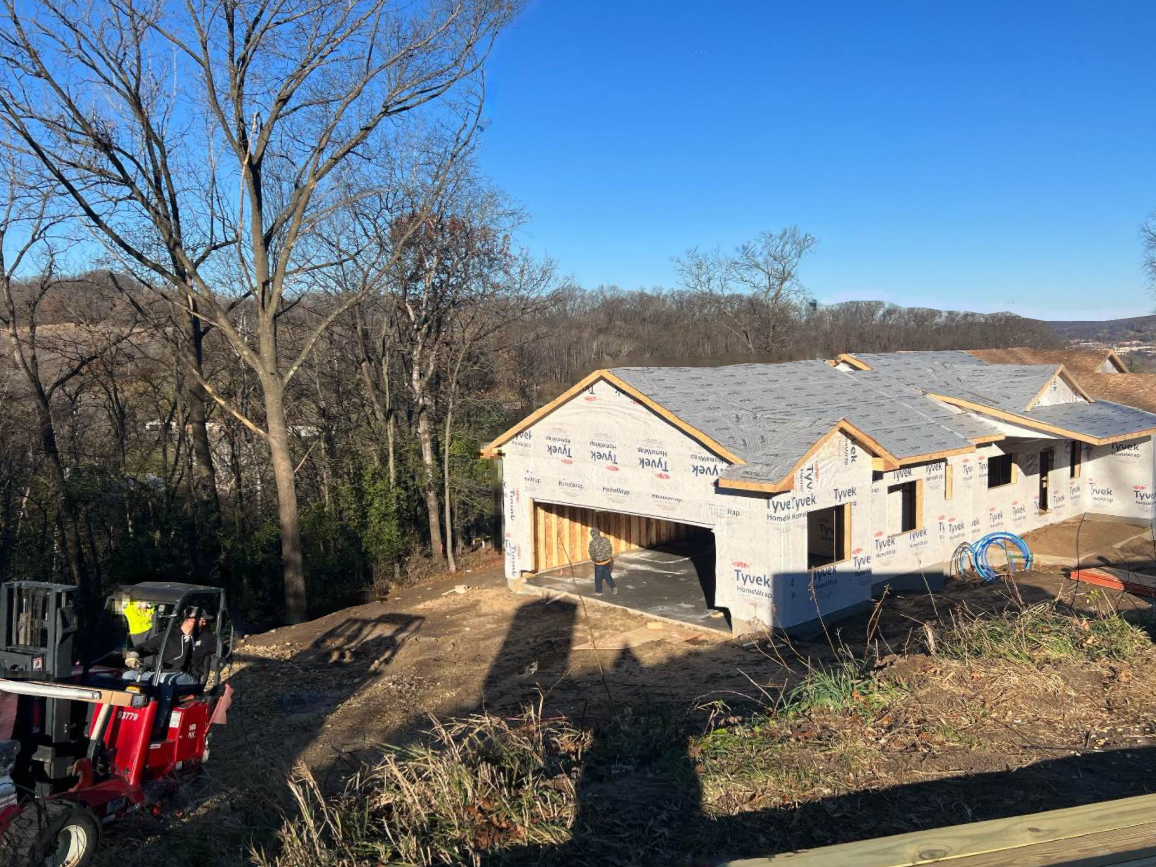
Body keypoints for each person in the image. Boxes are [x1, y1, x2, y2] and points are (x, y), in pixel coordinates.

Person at [122, 606, 207, 687]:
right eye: (202, 619)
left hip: (187, 676)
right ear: (192, 620)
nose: (205, 623)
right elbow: (144, 647)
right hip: (161, 673)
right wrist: (132, 655)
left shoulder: (204, 639)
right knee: (128, 675)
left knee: (165, 679)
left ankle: (163, 702)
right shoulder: (168, 636)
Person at [587, 527, 617, 596]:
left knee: (598, 578)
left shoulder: (592, 543)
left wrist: (595, 559)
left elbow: (591, 553)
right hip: (608, 561)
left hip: (599, 564)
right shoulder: (605, 539)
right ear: (598, 533)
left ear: (592, 534)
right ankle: (613, 587)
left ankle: (599, 591)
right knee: (607, 575)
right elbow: (610, 548)